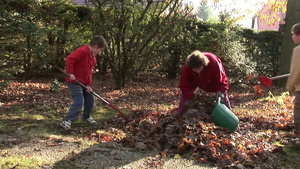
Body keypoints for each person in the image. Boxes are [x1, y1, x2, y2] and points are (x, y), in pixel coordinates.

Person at [60, 35, 107, 130]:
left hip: (84, 83)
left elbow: (89, 73)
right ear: (95, 46)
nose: (100, 52)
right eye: (100, 50)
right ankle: (67, 121)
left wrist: (88, 85)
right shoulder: (83, 50)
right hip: (74, 81)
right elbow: (70, 59)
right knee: (79, 102)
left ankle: (86, 117)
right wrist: (70, 73)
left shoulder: (93, 58)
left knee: (90, 99)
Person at [177, 50, 231, 116]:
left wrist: (220, 91)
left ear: (204, 64)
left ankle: (229, 115)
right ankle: (179, 114)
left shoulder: (213, 62)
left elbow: (221, 78)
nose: (197, 71)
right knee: (184, 98)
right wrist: (189, 95)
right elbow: (184, 83)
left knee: (223, 98)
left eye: (199, 69)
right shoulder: (187, 66)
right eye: (195, 70)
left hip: (212, 81)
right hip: (195, 80)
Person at [286, 23, 300, 144]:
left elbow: (296, 70)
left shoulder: (298, 50)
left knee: (298, 114)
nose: (293, 37)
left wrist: (290, 86)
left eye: (294, 34)